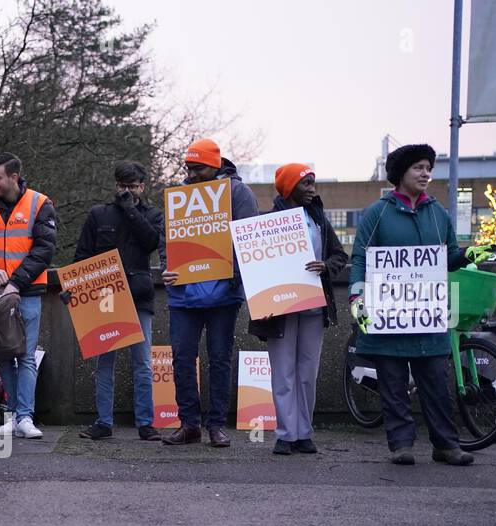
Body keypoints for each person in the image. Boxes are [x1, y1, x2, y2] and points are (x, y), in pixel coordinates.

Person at [349, 144, 473, 466]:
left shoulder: (438, 213)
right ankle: (401, 445)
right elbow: (361, 257)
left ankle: (446, 445)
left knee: (436, 385)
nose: (426, 174)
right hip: (388, 316)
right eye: (419, 167)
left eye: (429, 168)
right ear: (401, 173)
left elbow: (448, 256)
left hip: (427, 315)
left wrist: (469, 255)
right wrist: (357, 297)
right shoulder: (377, 213)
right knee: (393, 385)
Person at [160, 138, 259, 449]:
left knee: (219, 359)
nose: (191, 173)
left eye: (198, 167)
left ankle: (215, 425)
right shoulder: (180, 195)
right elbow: (167, 238)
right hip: (183, 293)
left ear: (215, 165)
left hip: (224, 293)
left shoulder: (238, 192)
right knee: (182, 358)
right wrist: (166, 267)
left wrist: (236, 277)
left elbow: (249, 235)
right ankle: (189, 424)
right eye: (188, 167)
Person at [249, 164, 349, 454]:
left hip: (313, 306)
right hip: (279, 310)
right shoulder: (267, 222)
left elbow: (340, 255)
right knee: (283, 372)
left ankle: (303, 432)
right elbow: (256, 265)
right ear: (290, 186)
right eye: (305, 183)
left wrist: (325, 267)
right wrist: (260, 301)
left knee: (307, 371)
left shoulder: (319, 220)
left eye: (313, 183)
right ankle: (285, 434)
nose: (312, 189)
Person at [0, 152, 57, 438]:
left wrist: (16, 282)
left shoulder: (40, 204)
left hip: (26, 291)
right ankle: (15, 415)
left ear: (13, 177)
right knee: (3, 356)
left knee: (26, 356)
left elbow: (44, 250)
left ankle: (25, 417)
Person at [75, 160, 163, 441]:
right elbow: (83, 256)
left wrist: (132, 211)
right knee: (104, 364)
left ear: (142, 186)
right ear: (116, 185)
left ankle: (145, 423)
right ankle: (103, 422)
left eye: (133, 186)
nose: (127, 191)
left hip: (138, 295)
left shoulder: (152, 214)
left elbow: (151, 242)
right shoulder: (99, 214)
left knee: (143, 363)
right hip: (105, 297)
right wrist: (75, 289)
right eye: (123, 185)